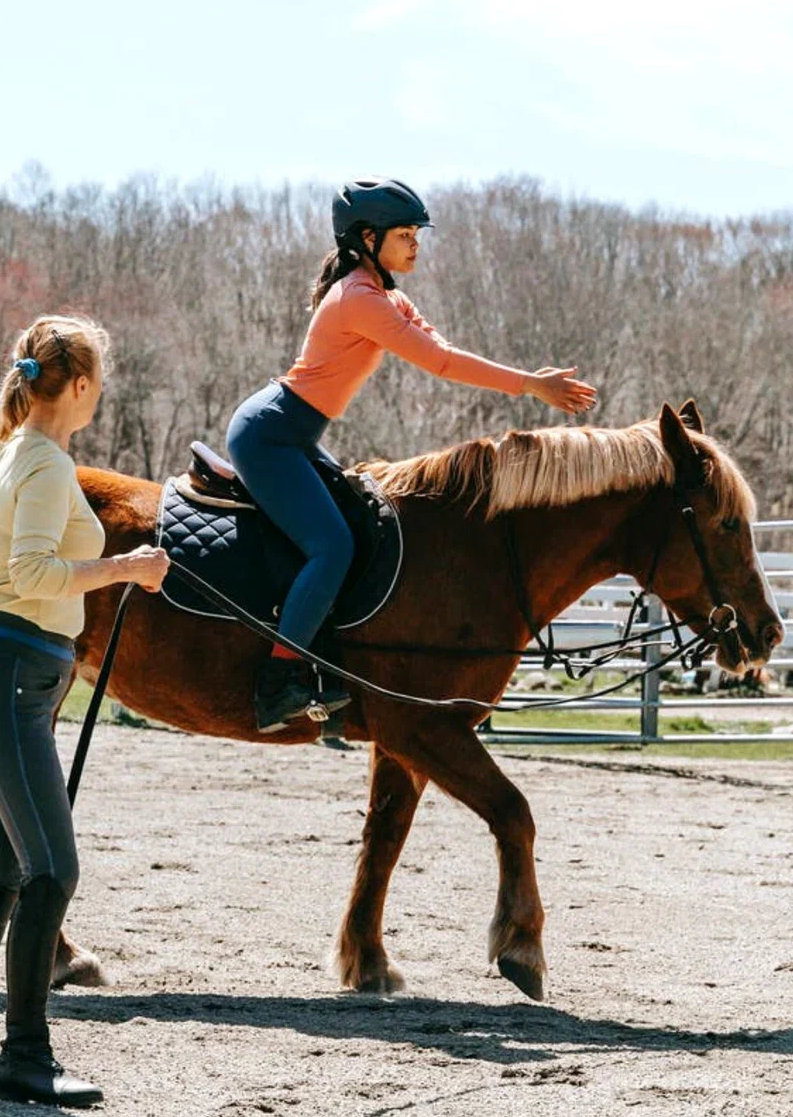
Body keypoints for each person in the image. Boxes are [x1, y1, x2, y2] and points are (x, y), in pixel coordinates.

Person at [0, 314, 169, 1107]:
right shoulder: (47, 464)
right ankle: (25, 1055)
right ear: (81, 386)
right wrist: (127, 566)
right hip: (14, 669)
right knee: (52, 868)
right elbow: (28, 573)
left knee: (6, 867)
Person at [226, 178, 598, 733]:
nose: (416, 244)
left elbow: (442, 348)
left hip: (292, 433)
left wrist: (527, 382)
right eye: (405, 235)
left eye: (417, 234)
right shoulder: (358, 299)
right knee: (332, 547)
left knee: (357, 530)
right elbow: (441, 364)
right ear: (367, 239)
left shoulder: (385, 296)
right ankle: (278, 680)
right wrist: (529, 386)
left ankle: (327, 663)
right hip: (269, 435)